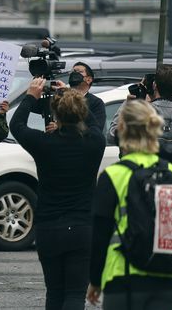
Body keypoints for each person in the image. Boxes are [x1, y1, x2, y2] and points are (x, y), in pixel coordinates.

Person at [10, 80, 106, 310]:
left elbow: (17, 125)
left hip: (49, 226)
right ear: (82, 112)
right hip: (82, 225)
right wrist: (73, 95)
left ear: (56, 115)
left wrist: (31, 95)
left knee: (54, 292)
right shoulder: (95, 142)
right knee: (75, 293)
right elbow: (93, 124)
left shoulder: (44, 144)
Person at [88, 100, 172, 310]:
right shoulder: (170, 171)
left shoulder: (113, 175)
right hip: (170, 277)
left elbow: (100, 235)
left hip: (124, 275)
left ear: (121, 128)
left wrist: (95, 280)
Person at [110, 64, 172, 174]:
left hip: (140, 179)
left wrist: (129, 104)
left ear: (154, 85)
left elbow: (112, 135)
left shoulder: (140, 113)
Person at [70, 62, 107, 132]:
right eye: (73, 72)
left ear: (89, 80)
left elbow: (96, 131)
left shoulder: (96, 103)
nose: (74, 74)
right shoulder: (62, 98)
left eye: (79, 72)